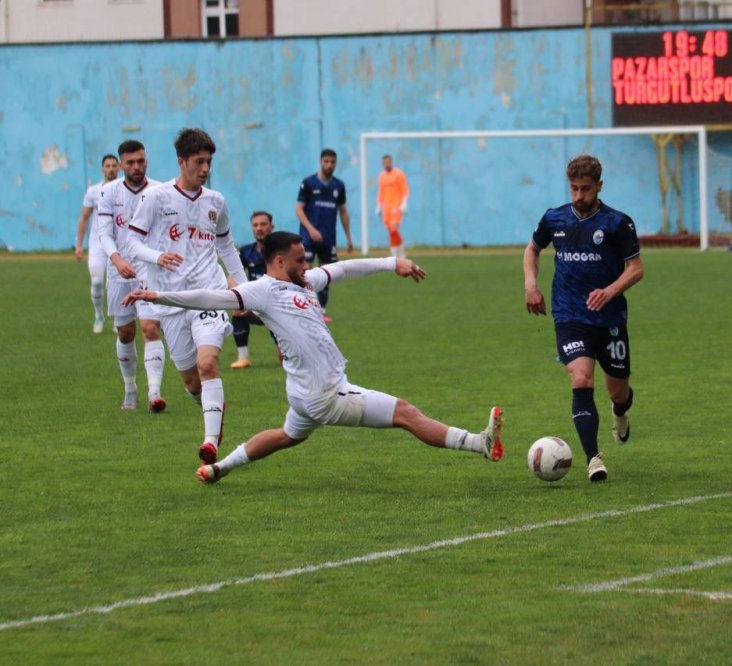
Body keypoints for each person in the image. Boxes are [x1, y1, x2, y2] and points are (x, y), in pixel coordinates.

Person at [123, 231, 505, 484]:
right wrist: (157, 296)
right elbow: (212, 297)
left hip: (304, 392)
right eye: (300, 260)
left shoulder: (302, 283)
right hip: (323, 394)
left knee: (287, 435)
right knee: (406, 413)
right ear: (278, 262)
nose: (307, 266)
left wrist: (393, 264)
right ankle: (478, 443)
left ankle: (219, 468)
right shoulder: (264, 290)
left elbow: (342, 269)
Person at [126, 128, 247, 465]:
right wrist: (156, 256)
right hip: (171, 299)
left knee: (208, 363)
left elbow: (225, 244)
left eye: (209, 162)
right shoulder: (157, 197)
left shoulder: (216, 201)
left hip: (209, 293)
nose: (205, 168)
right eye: (199, 162)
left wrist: (241, 284)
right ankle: (211, 408)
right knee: (192, 380)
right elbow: (132, 242)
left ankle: (210, 441)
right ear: (182, 161)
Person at [523, 154, 644, 482]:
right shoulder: (555, 219)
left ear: (599, 186)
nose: (579, 195)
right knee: (580, 379)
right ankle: (594, 458)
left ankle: (620, 412)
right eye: (574, 188)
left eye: (586, 189)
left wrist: (610, 290)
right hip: (569, 315)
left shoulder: (618, 223)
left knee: (619, 391)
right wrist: (531, 284)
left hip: (610, 318)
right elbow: (533, 249)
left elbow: (636, 269)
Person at [96, 139, 166, 412]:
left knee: (151, 328)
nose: (137, 167)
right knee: (126, 333)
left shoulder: (160, 190)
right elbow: (104, 232)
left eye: (141, 161)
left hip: (150, 271)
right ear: (121, 164)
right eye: (131, 162)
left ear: (146, 161)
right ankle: (130, 388)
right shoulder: (109, 193)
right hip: (119, 273)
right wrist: (116, 259)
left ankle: (155, 393)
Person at [295, 148, 353, 323]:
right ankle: (301, 308)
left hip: (329, 238)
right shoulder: (309, 183)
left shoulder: (339, 186)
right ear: (321, 162)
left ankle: (321, 311)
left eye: (332, 162)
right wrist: (311, 229)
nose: (329, 165)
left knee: (327, 274)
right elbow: (298, 209)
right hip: (308, 237)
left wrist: (349, 238)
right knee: (303, 273)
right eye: (326, 161)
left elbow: (343, 212)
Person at [74, 153, 120, 334]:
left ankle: (118, 318)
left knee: (116, 284)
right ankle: (99, 315)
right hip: (97, 244)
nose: (110, 169)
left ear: (119, 168)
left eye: (113, 165)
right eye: (107, 165)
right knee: (97, 282)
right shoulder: (93, 191)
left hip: (119, 244)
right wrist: (79, 244)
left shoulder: (124, 189)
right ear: (102, 168)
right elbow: (84, 218)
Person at [230, 210, 278, 369]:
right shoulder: (245, 251)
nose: (259, 228)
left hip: (278, 305)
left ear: (272, 226)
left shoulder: (282, 250)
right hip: (255, 305)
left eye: (263, 224)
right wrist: (237, 295)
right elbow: (232, 276)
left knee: (284, 359)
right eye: (255, 225)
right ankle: (243, 358)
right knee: (238, 309)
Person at [376, 154, 410, 259]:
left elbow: (405, 189)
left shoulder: (398, 174)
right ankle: (395, 252)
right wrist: (379, 205)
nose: (386, 164)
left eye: (388, 162)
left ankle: (400, 251)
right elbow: (381, 192)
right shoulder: (382, 176)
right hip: (386, 207)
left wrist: (404, 203)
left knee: (394, 229)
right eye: (384, 163)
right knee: (390, 231)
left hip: (396, 206)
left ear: (391, 162)